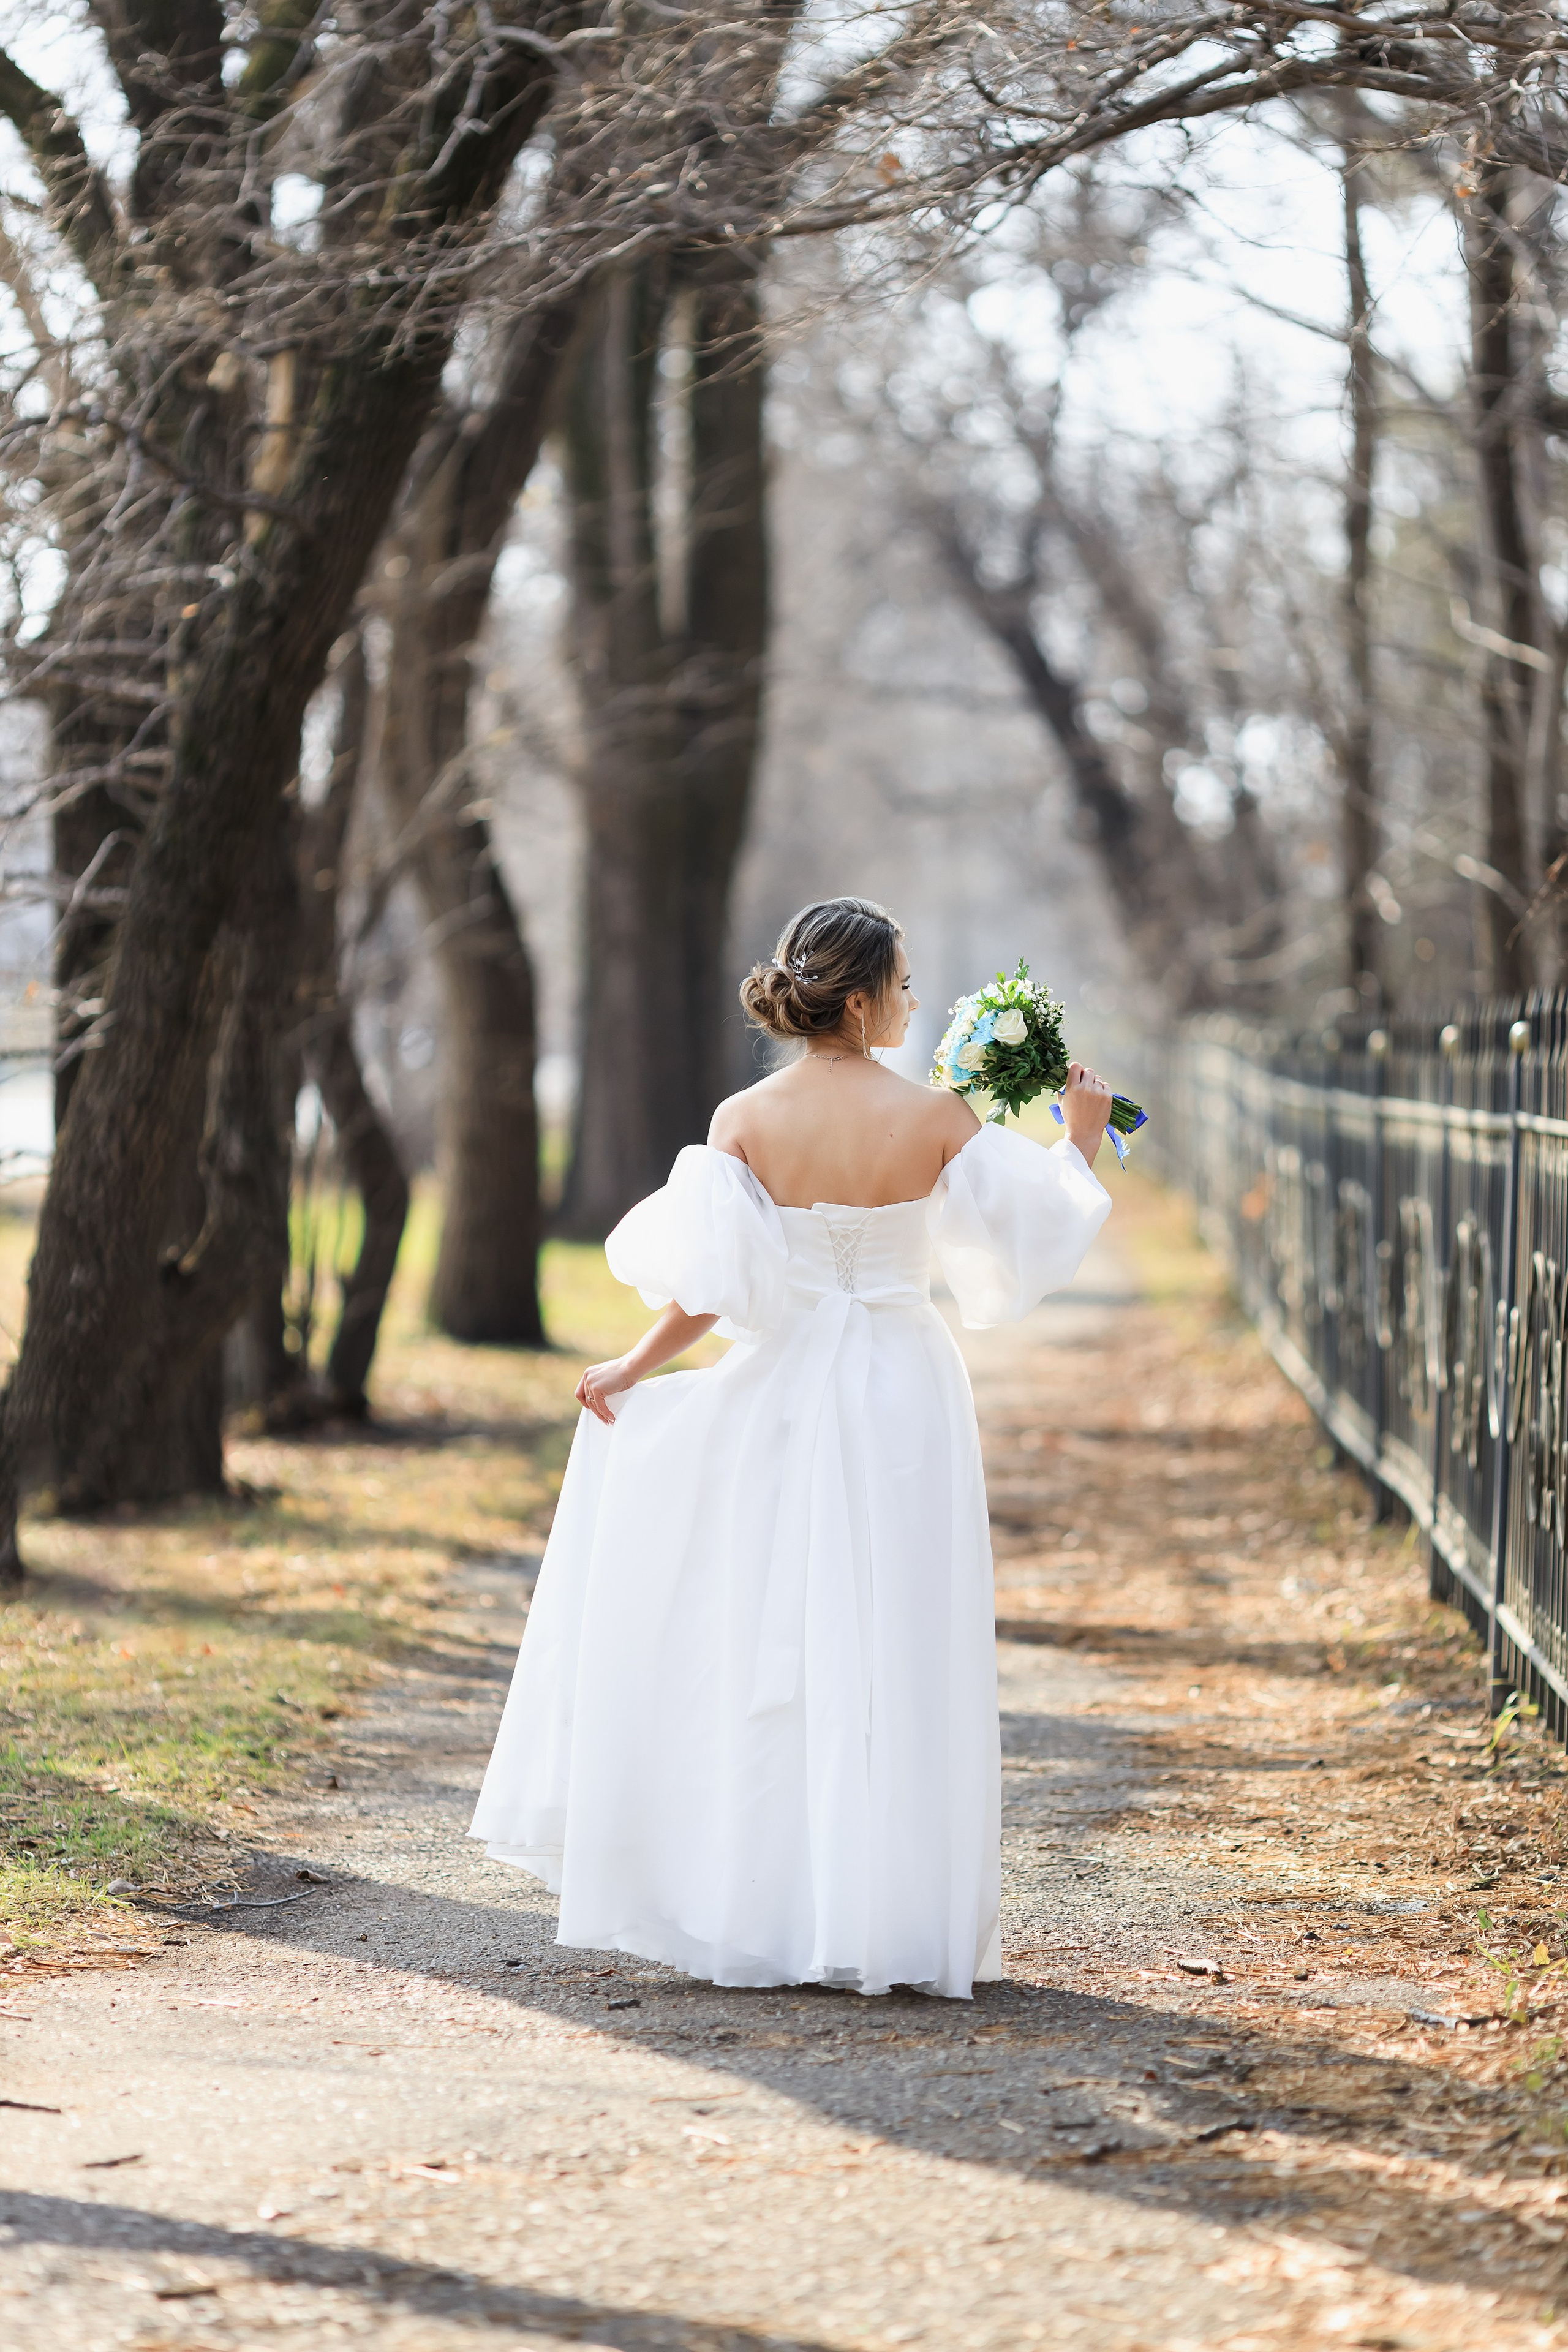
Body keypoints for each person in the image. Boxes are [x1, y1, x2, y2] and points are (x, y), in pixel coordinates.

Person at [470, 895, 1114, 1999]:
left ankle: (767, 1905)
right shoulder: (937, 1119)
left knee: (774, 1633)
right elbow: (1026, 1242)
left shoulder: (744, 1118)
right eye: (902, 984)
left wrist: (632, 1366)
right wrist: (1081, 1141)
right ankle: (890, 1911)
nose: (913, 1000)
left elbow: (712, 1288)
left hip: (780, 1387)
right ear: (859, 1002)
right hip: (904, 1389)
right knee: (898, 1634)